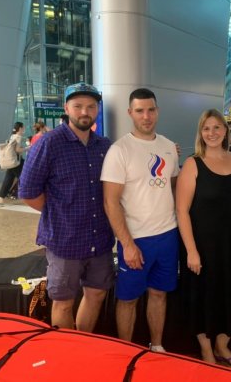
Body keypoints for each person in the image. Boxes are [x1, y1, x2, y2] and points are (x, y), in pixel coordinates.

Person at [19, 83, 115, 332]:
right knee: (63, 302)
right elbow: (28, 192)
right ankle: (67, 350)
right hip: (64, 240)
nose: (85, 111)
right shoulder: (49, 143)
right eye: (78, 106)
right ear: (66, 108)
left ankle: (82, 343)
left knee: (96, 294)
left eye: (91, 106)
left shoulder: (104, 146)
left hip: (100, 238)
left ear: (97, 110)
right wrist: (60, 212)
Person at [101, 88, 179, 352]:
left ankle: (157, 346)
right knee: (128, 299)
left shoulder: (169, 147)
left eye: (151, 110)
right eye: (140, 111)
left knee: (159, 294)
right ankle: (127, 353)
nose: (146, 116)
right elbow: (110, 202)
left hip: (167, 236)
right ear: (130, 113)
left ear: (157, 111)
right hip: (136, 239)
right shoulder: (119, 150)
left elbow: (174, 190)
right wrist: (127, 244)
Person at [176, 109, 231, 367]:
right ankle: (207, 351)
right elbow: (182, 210)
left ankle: (222, 344)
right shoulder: (193, 164)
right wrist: (191, 250)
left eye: (217, 127)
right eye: (206, 128)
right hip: (203, 246)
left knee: (229, 294)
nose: (212, 133)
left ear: (226, 130)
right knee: (204, 297)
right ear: (200, 133)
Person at [0, 122, 28, 207]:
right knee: (25, 177)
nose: (24, 129)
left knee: (8, 179)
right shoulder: (18, 137)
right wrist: (27, 148)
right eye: (23, 127)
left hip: (12, 161)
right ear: (20, 128)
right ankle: (31, 196)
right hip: (16, 162)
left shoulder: (12, 136)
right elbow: (17, 150)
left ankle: (0, 199)